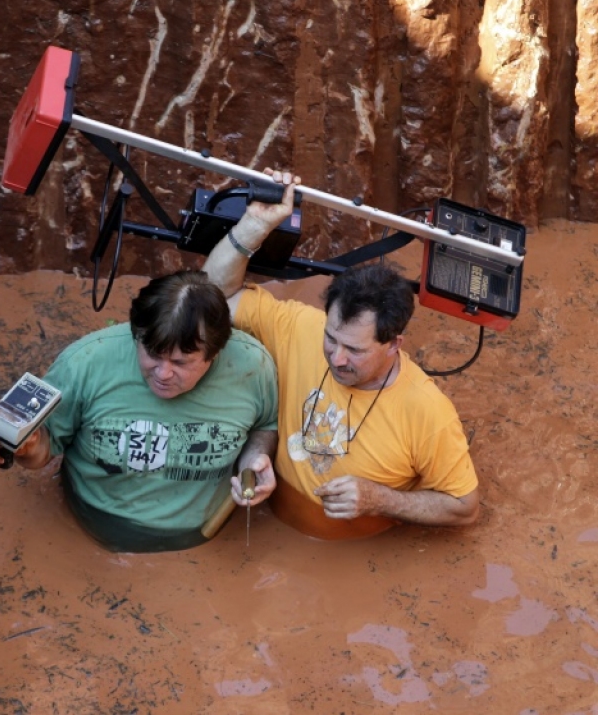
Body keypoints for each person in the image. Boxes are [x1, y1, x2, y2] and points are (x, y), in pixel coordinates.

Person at [202, 171, 480, 539]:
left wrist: (380, 500)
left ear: (394, 344)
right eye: (331, 339)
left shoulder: (428, 413)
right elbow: (210, 299)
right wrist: (253, 225)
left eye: (356, 350)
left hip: (354, 547)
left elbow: (465, 508)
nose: (337, 358)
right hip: (278, 522)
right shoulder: (300, 326)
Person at [0, 270, 279, 552]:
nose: (163, 374)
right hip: (92, 521)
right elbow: (43, 451)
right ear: (136, 335)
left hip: (205, 532)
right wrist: (27, 447)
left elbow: (265, 424)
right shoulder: (84, 363)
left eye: (181, 362)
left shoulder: (252, 366)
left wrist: (254, 459)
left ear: (215, 353)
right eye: (153, 354)